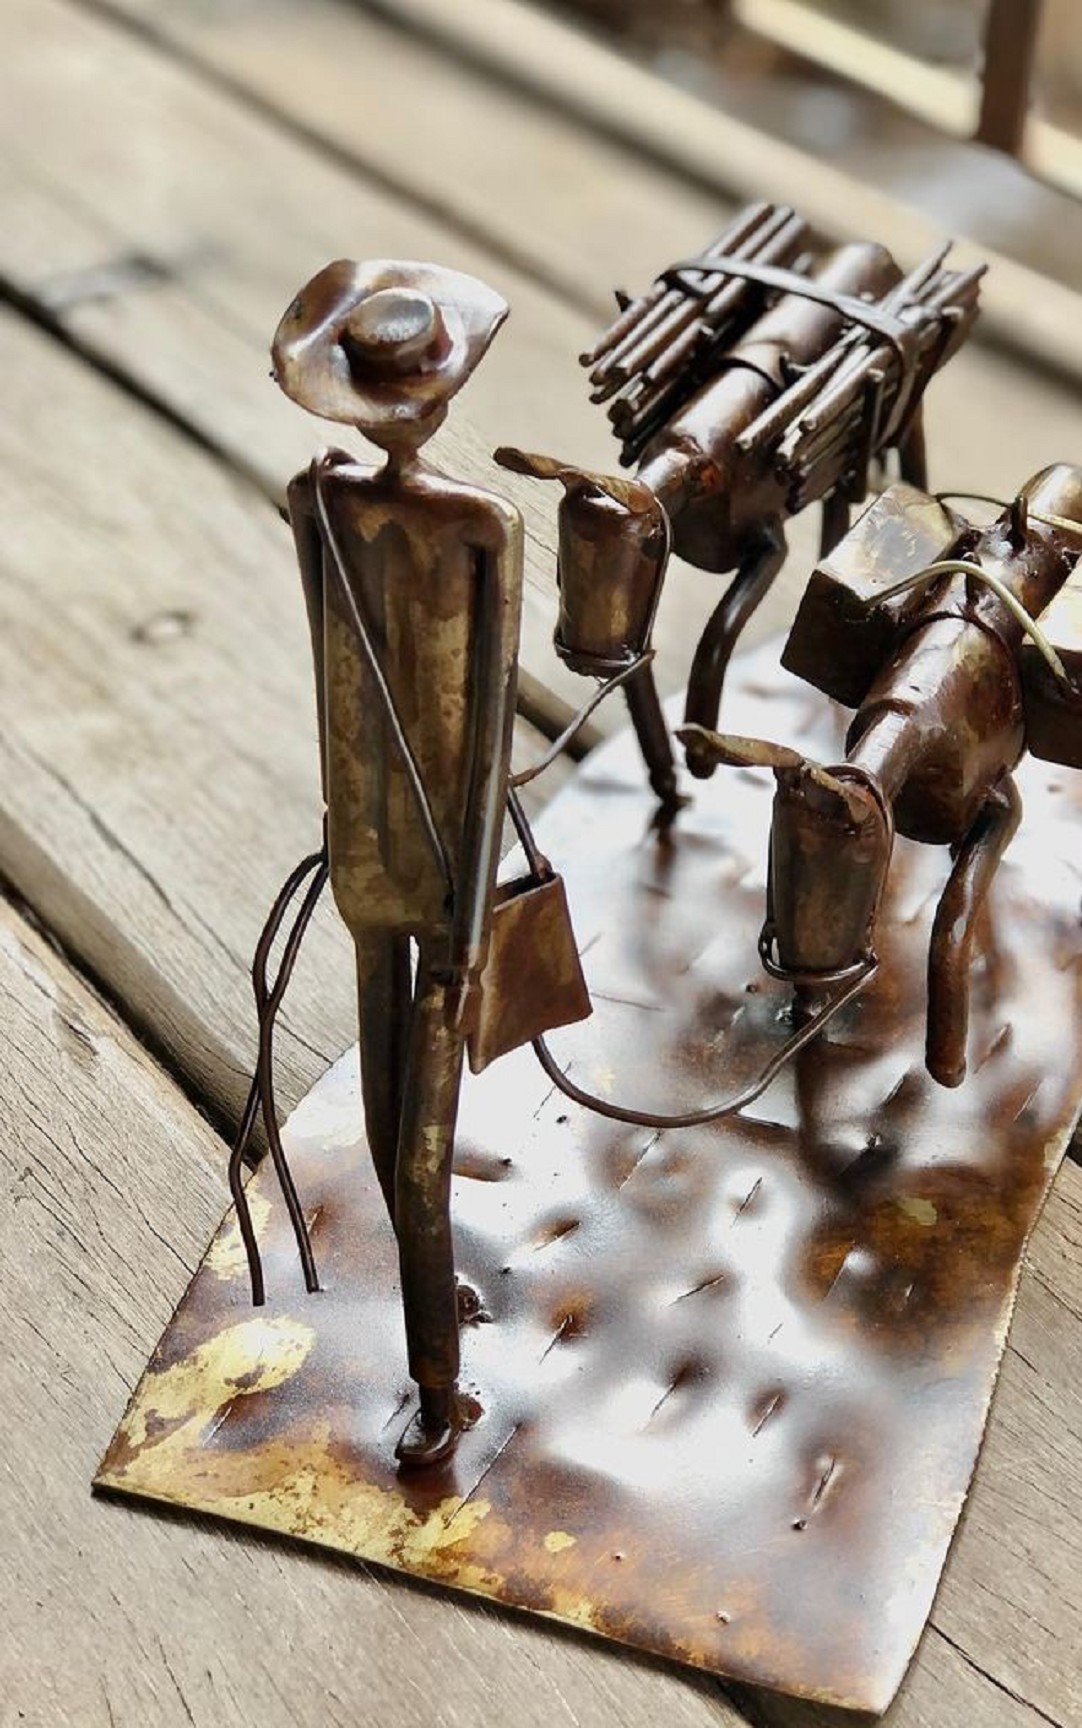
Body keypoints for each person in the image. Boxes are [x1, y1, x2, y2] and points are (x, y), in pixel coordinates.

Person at [272, 259, 522, 1467]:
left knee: (407, 1120)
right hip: (404, 852)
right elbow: (483, 739)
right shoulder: (471, 522)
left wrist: (467, 932)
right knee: (404, 1128)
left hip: (382, 844)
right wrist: (469, 928)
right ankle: (434, 1375)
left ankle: (435, 1343)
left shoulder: (322, 497)